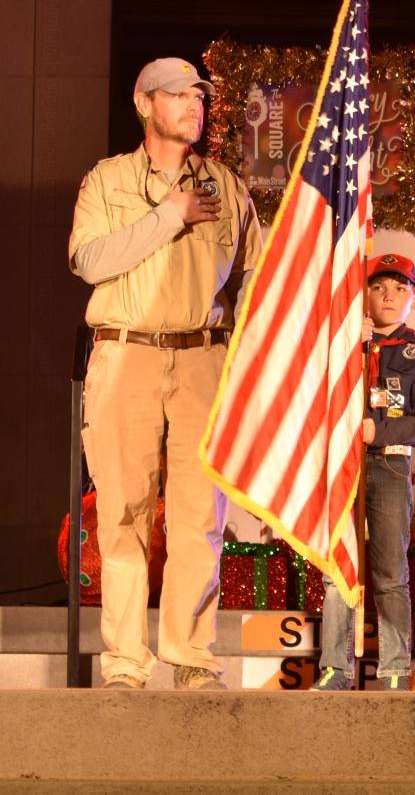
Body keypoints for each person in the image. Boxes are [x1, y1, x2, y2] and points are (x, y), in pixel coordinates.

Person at [69, 57, 264, 689]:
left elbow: (257, 276)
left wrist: (249, 355)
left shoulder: (226, 185)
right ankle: (126, 663)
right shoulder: (109, 180)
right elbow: (91, 260)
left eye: (199, 96)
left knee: (198, 517)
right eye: (178, 95)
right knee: (122, 511)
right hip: (126, 354)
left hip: (203, 356)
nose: (193, 105)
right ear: (144, 102)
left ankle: (190, 659)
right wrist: (169, 216)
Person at [312, 253, 415, 691]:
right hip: (344, 466)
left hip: (389, 462)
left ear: (414, 297)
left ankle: (393, 670)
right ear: (364, 294)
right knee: (339, 572)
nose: (389, 297)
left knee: (390, 575)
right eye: (379, 288)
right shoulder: (344, 342)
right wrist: (350, 343)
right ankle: (335, 668)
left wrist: (378, 429)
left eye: (400, 289)